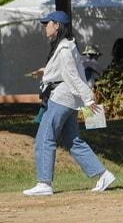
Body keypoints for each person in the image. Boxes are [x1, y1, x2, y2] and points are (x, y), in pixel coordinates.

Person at [23, 11, 117, 197]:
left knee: (44, 138)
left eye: (47, 23)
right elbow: (67, 71)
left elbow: (72, 75)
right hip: (69, 100)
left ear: (57, 25)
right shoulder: (65, 47)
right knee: (73, 141)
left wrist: (88, 99)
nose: (45, 27)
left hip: (61, 99)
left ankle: (44, 183)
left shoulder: (65, 48)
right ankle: (103, 174)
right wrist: (46, 71)